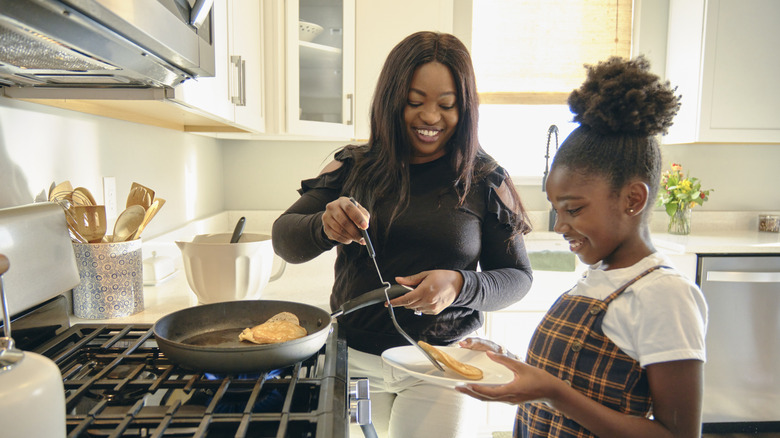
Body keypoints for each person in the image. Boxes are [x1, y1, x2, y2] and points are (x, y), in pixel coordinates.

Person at [272, 31, 534, 437]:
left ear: (465, 108)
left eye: (447, 105)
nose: (430, 117)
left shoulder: (485, 178)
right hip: (353, 359)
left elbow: (518, 279)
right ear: (392, 100)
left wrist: (460, 285)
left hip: (442, 366)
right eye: (415, 102)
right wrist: (323, 226)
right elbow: (285, 240)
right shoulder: (352, 166)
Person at [457, 56, 708, 438]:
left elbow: (678, 435)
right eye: (556, 210)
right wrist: (509, 364)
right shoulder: (598, 278)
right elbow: (582, 382)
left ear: (632, 199)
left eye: (573, 209)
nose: (560, 225)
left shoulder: (664, 295)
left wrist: (553, 394)